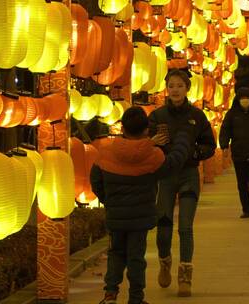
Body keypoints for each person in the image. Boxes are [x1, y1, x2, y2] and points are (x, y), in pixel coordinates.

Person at [91, 106, 190, 304]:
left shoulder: (106, 153)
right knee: (136, 257)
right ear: (146, 130)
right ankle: (136, 298)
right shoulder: (153, 156)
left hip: (116, 216)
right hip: (140, 218)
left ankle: (110, 294)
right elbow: (173, 163)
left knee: (116, 254)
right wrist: (182, 140)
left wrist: (109, 202)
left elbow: (95, 181)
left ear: (122, 128)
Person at [148, 69, 216, 296]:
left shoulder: (197, 116)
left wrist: (196, 152)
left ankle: (185, 274)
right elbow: (141, 144)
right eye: (171, 86)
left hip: (188, 174)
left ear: (187, 88)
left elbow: (209, 145)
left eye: (179, 86)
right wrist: (153, 141)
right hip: (166, 175)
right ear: (167, 89)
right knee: (164, 223)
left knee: (185, 226)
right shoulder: (157, 116)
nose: (175, 90)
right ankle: (165, 261)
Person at [219, 87, 249, 219]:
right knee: (242, 183)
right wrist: (224, 145)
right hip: (239, 153)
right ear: (238, 100)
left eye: (247, 98)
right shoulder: (232, 114)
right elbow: (225, 130)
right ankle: (246, 209)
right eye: (242, 98)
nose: (245, 101)